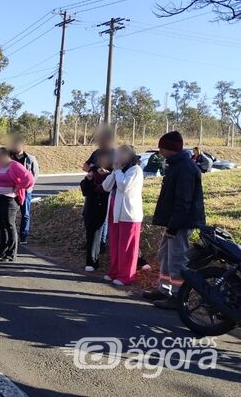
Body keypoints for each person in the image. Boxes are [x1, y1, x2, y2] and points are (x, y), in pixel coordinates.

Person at [144, 131, 206, 310]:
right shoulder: (175, 165)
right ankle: (164, 290)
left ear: (171, 149)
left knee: (177, 259)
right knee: (165, 255)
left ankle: (178, 297)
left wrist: (174, 225)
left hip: (181, 222)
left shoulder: (185, 168)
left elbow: (183, 201)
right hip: (173, 221)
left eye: (162, 148)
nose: (160, 151)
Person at [101, 145, 144, 286]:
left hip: (129, 214)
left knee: (127, 247)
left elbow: (124, 187)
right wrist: (115, 171)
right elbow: (106, 186)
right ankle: (114, 271)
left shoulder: (135, 170)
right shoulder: (119, 170)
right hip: (115, 213)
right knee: (115, 245)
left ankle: (126, 276)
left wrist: (118, 171)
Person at [0, 148, 34, 261]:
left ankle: (11, 253)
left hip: (10, 199)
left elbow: (29, 178)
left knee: (9, 224)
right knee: (1, 224)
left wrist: (18, 187)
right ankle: (2, 250)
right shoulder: (0, 166)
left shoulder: (15, 165)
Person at [80, 151, 113, 272]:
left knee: (99, 231)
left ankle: (139, 260)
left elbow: (112, 186)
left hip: (106, 204)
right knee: (91, 233)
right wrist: (89, 178)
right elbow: (85, 190)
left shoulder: (114, 173)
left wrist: (108, 174)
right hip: (91, 204)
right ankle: (91, 261)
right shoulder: (93, 171)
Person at [10, 135, 39, 244]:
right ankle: (12, 235)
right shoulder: (10, 159)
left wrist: (27, 186)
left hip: (26, 191)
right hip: (12, 190)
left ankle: (23, 236)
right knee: (11, 214)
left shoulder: (30, 159)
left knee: (25, 214)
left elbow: (35, 175)